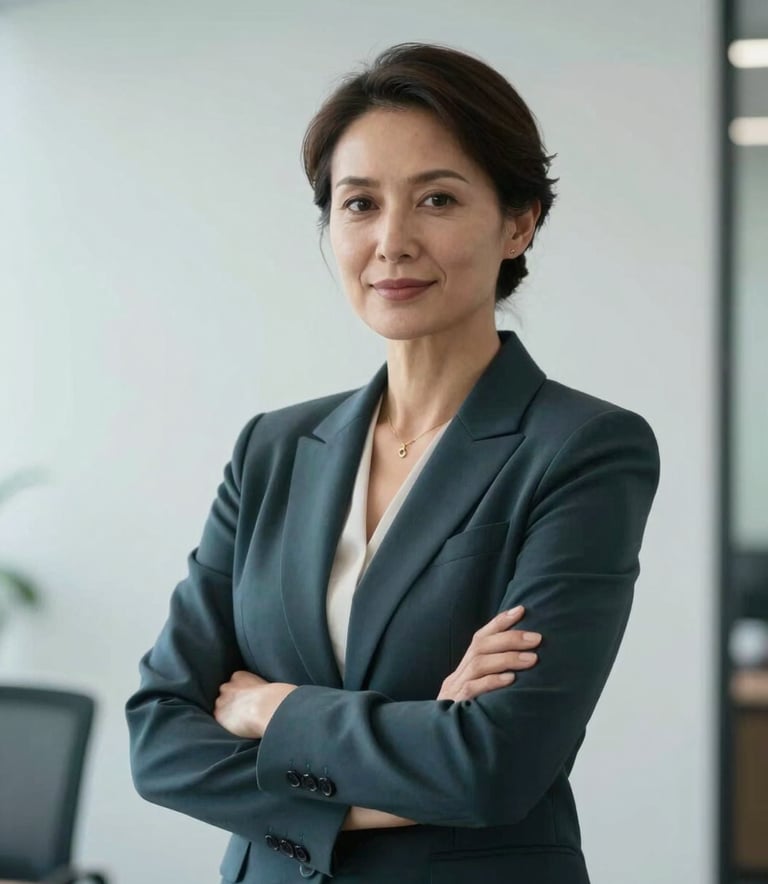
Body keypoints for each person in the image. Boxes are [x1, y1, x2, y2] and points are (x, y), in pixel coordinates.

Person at [126, 42, 660, 884]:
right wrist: (416, 740)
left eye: (437, 199)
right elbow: (160, 738)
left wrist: (274, 708)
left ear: (518, 221)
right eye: (359, 203)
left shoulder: (582, 449)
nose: (392, 241)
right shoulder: (272, 449)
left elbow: (495, 766)